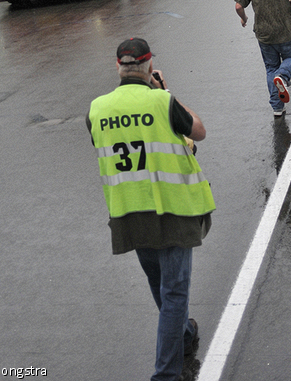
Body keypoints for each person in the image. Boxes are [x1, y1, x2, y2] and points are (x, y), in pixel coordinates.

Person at [86, 37, 215, 381]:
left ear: (118, 66)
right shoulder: (162, 101)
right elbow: (198, 131)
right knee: (174, 292)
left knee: (160, 285)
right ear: (148, 67)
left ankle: (184, 336)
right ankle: (166, 375)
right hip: (172, 211)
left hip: (129, 212)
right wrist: (165, 91)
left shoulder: (97, 109)